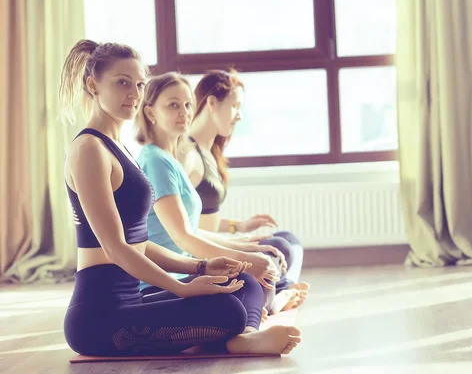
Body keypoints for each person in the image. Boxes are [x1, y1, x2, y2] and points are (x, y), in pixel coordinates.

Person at [60, 40, 300, 357]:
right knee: (227, 310)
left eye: (139, 84)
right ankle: (238, 340)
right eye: (122, 83)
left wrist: (201, 267)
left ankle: (237, 337)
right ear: (93, 85)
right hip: (99, 318)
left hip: (132, 302)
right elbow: (115, 248)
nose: (133, 94)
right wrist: (182, 287)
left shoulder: (119, 150)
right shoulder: (88, 149)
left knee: (240, 284)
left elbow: (139, 244)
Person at [178, 69, 309, 315]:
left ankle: (277, 291)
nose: (239, 116)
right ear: (212, 103)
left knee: (289, 240)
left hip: (213, 240)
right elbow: (181, 228)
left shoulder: (209, 152)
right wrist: (239, 244)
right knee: (282, 247)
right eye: (235, 106)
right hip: (202, 250)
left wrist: (239, 227)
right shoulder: (188, 154)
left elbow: (204, 219)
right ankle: (279, 293)